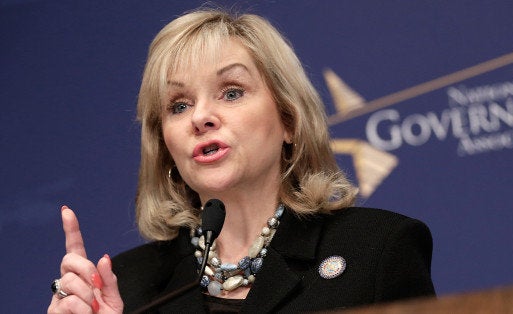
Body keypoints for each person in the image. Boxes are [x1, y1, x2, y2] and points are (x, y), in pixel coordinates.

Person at [48, 8, 435, 313]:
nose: (201, 118)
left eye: (231, 93)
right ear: (164, 145)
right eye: (179, 105)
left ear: (288, 119)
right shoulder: (126, 287)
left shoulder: (377, 251)